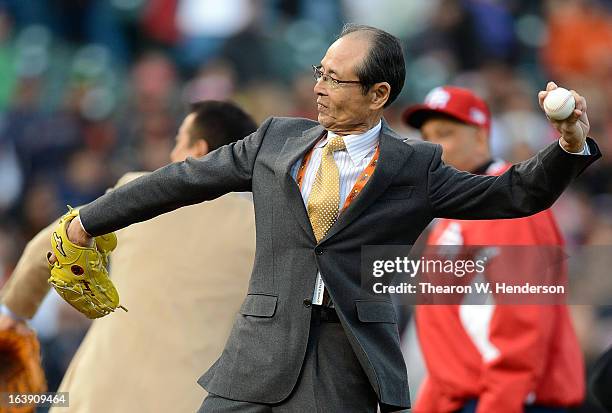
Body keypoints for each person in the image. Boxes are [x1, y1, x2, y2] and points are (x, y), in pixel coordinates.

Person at [49, 24, 600, 412]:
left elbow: (515, 195)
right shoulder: (274, 139)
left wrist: (570, 144)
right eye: (320, 72)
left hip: (344, 362)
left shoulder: (416, 167)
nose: (319, 86)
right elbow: (179, 181)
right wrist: (86, 223)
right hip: (256, 353)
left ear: (378, 94)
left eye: (337, 79)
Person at [0, 101, 258, 413]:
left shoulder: (140, 192)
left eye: (178, 141)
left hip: (97, 398)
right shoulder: (265, 227)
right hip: (191, 405)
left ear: (199, 151)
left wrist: (13, 314)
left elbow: (53, 242)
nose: (171, 154)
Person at [402, 86, 586, 413]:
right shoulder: (453, 208)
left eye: (446, 134)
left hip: (507, 400)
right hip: (463, 397)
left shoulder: (509, 206)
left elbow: (523, 322)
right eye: (426, 136)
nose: (433, 147)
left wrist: (499, 403)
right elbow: (448, 334)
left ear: (480, 137)